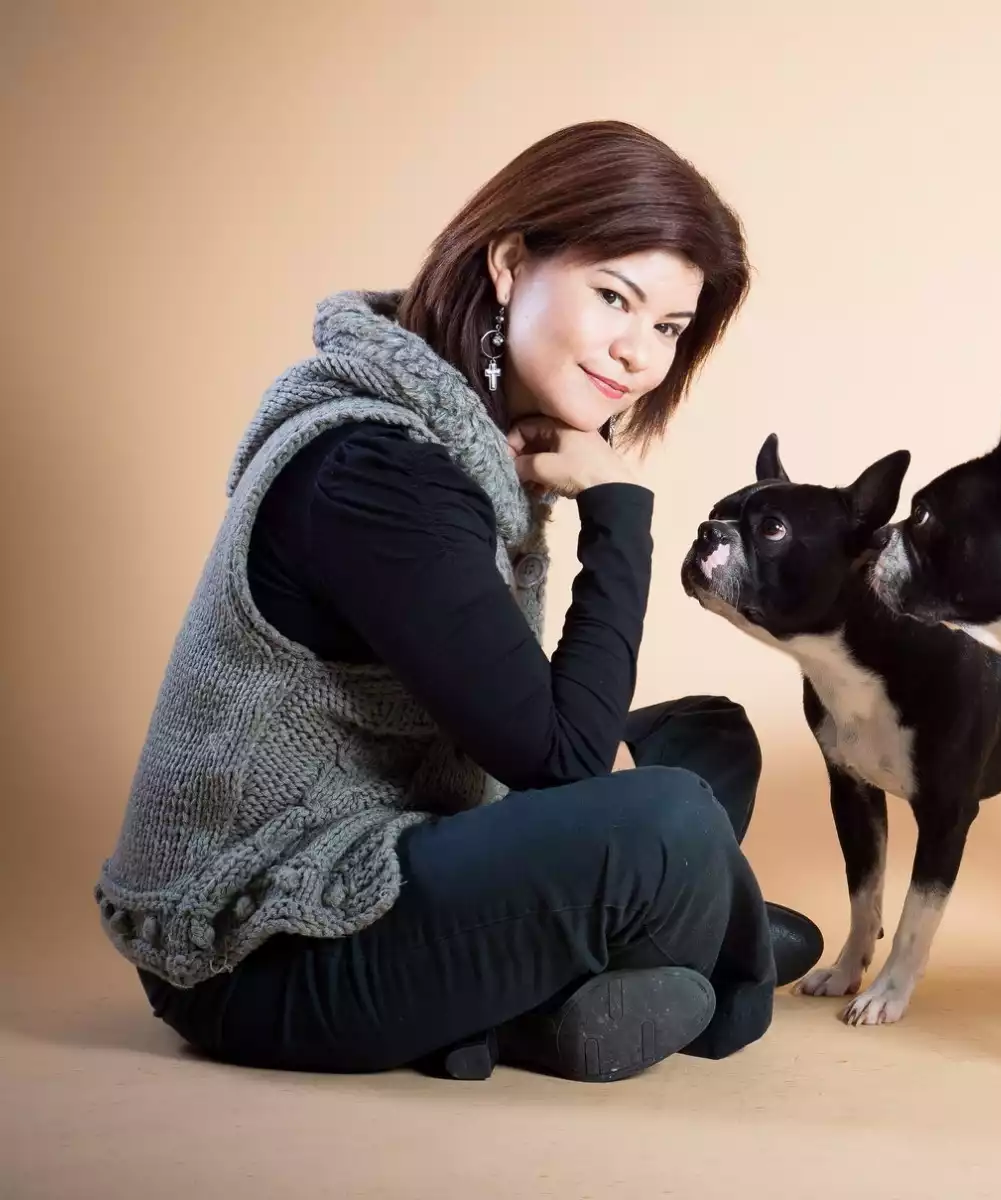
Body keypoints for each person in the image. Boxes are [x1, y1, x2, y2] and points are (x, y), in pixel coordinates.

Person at [94, 120, 824, 1083]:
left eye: (667, 329)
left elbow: (536, 737)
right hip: (263, 946)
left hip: (400, 827)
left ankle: (551, 993)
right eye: (615, 298)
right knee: (669, 823)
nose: (639, 355)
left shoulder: (465, 428)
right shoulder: (382, 468)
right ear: (512, 262)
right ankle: (710, 971)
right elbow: (560, 761)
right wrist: (618, 510)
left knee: (708, 739)